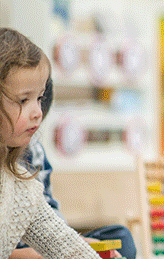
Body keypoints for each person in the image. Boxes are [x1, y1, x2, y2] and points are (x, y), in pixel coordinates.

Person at [0, 28, 102, 258]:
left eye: (39, 97)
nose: (38, 112)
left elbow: (64, 245)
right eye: (23, 100)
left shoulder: (20, 188)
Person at [12, 78, 135, 259]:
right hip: (16, 250)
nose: (37, 113)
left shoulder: (33, 150)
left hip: (39, 244)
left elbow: (47, 219)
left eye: (39, 101)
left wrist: (75, 243)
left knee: (122, 239)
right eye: (24, 101)